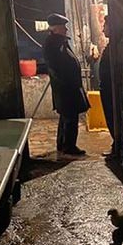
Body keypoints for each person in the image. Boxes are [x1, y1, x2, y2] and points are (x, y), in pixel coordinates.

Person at [43, 13, 89, 156]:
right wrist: (66, 83)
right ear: (56, 28)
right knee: (70, 118)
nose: (66, 29)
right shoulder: (53, 44)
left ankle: (62, 144)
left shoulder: (59, 42)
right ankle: (69, 146)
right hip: (66, 89)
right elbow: (56, 67)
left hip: (67, 88)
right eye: (63, 27)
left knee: (66, 117)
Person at [99, 16, 115, 158]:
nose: (103, 29)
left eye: (105, 26)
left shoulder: (115, 47)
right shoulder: (111, 46)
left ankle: (117, 144)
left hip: (111, 89)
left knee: (112, 115)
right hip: (107, 87)